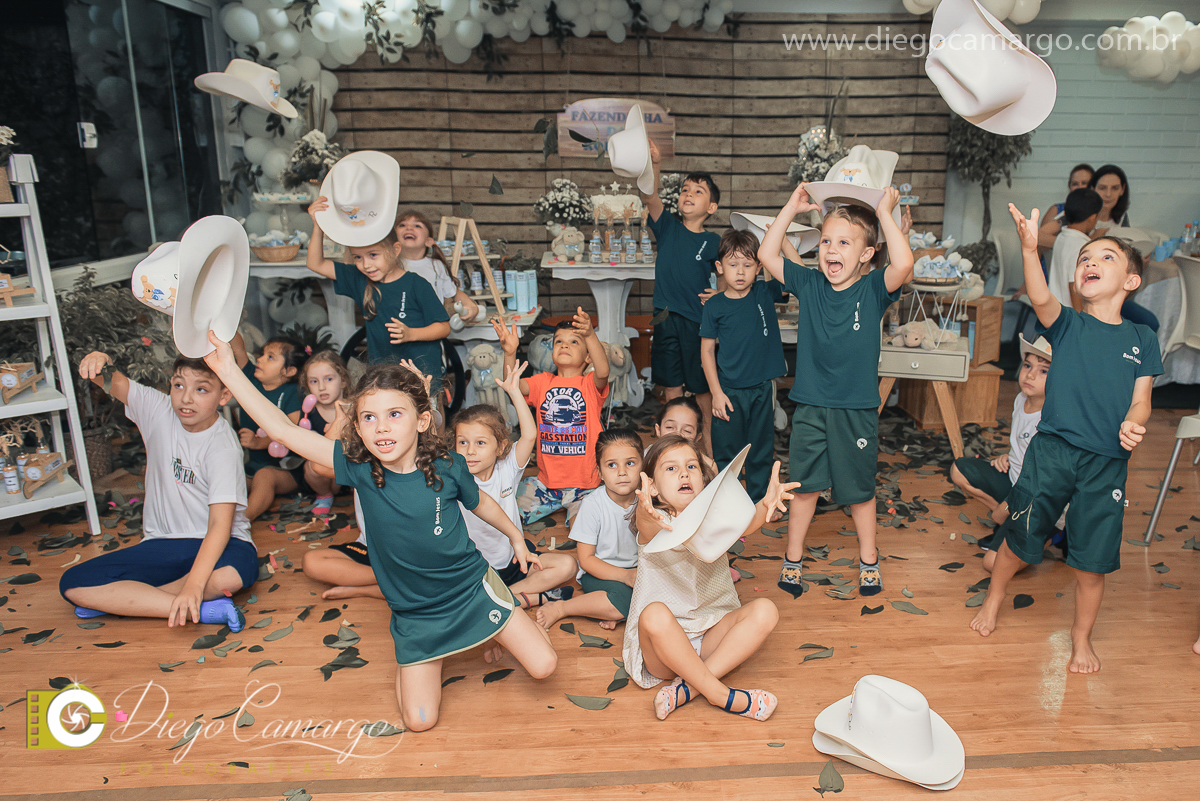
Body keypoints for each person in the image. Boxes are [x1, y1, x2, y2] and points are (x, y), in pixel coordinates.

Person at [203, 333, 557, 732]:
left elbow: (483, 504)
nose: (382, 427)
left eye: (395, 414)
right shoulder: (360, 469)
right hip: (416, 613)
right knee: (419, 721)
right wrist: (228, 369)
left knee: (544, 665)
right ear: (356, 426)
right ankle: (423, 658)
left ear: (422, 421)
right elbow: (282, 431)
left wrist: (515, 538)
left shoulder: (447, 465)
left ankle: (495, 627)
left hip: (470, 589)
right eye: (369, 418)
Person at [970, 205, 1162, 675]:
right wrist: (1030, 249)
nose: (1090, 262)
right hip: (1052, 452)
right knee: (1020, 536)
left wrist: (1134, 421)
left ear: (1131, 280)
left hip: (1106, 463)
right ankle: (994, 598)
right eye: (1084, 259)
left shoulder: (1142, 338)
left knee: (1092, 563)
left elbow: (1142, 400)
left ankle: (1081, 638)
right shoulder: (1068, 324)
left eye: (1106, 257)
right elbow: (1039, 296)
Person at [758, 183, 914, 599]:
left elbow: (904, 262)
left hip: (856, 409)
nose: (831, 249)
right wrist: (791, 207)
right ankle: (793, 558)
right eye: (826, 240)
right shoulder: (809, 283)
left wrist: (885, 214)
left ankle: (869, 560)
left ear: (866, 254)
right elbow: (767, 255)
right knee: (804, 487)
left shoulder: (874, 288)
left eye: (844, 242)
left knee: (859, 491)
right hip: (810, 406)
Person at [60, 351, 255, 632]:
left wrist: (194, 585)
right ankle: (201, 610)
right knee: (73, 583)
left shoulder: (223, 446)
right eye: (178, 385)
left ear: (224, 396)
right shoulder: (158, 409)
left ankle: (126, 601)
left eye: (201, 389)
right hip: (163, 543)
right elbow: (112, 380)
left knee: (229, 578)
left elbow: (219, 526)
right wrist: (100, 359)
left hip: (224, 543)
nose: (186, 398)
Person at [624, 435, 797, 722]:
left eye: (691, 466)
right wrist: (645, 512)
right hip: (663, 650)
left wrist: (766, 503)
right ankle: (720, 695)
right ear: (652, 488)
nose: (684, 473)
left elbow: (748, 523)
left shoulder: (713, 519)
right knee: (653, 615)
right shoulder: (656, 522)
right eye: (671, 468)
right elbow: (646, 526)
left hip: (711, 638)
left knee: (766, 610)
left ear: (703, 479)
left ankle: (689, 689)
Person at [453, 360, 578, 608]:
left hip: (514, 560)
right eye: (462, 442)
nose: (470, 451)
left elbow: (530, 435)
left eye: (480, 443)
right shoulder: (453, 475)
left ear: (500, 447)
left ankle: (500, 599)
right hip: (477, 570)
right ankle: (526, 598)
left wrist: (514, 393)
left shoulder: (507, 468)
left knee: (568, 566)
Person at [307, 197, 451, 391]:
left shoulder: (416, 284)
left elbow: (443, 328)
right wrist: (318, 226)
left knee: (426, 411)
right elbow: (315, 264)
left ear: (395, 250)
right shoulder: (359, 280)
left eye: (373, 255)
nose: (366, 264)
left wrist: (411, 333)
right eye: (358, 257)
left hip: (422, 376)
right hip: (383, 378)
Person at [639, 139, 722, 454]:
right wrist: (655, 164)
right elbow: (650, 195)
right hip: (665, 319)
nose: (688, 194)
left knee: (702, 391)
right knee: (671, 387)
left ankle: (708, 453)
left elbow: (727, 274)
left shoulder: (713, 240)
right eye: (685, 189)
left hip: (697, 323)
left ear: (711, 208)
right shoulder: (668, 227)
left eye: (698, 191)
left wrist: (721, 293)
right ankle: (671, 451)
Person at [495, 313, 610, 526]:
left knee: (584, 527)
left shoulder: (590, 384)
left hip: (585, 485)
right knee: (506, 512)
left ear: (588, 357)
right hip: (545, 484)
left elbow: (603, 371)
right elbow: (512, 385)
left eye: (574, 342)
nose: (564, 345)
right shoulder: (543, 382)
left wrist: (589, 335)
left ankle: (577, 517)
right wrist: (509, 353)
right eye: (559, 341)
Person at [950, 335, 1051, 572]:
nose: (1030, 375)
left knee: (992, 564)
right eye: (1028, 366)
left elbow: (1044, 479)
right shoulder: (1021, 399)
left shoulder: (1051, 420)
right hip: (1015, 481)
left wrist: (1006, 506)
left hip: (1037, 499)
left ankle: (1049, 534)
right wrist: (1010, 455)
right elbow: (1024, 445)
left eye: (1044, 371)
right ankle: (1010, 525)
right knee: (959, 470)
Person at [700, 228, 788, 499]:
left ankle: (759, 501)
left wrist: (782, 238)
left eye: (748, 265)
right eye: (733, 264)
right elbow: (706, 351)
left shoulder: (764, 292)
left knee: (761, 449)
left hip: (762, 389)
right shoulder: (715, 306)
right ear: (720, 267)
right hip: (729, 392)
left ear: (760, 267)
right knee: (728, 452)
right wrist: (716, 393)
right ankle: (728, 503)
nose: (740, 272)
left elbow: (792, 274)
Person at [537, 428, 644, 631]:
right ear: (600, 472)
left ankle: (611, 612)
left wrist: (635, 575)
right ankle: (562, 607)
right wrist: (624, 576)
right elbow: (586, 560)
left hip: (639, 571)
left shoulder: (646, 499)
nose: (622, 472)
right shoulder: (592, 505)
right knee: (621, 602)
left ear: (642, 466)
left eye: (630, 463)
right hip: (599, 572)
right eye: (612, 465)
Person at [235, 335, 307, 521]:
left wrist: (258, 443)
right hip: (252, 467)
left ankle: (241, 523)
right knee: (231, 477)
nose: (259, 359)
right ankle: (210, 520)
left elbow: (293, 434)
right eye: (262, 354)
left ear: (289, 371)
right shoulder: (250, 380)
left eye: (270, 357)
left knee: (264, 477)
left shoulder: (292, 393)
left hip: (287, 471)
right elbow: (238, 348)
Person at [394, 209, 479, 329]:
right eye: (402, 225)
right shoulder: (390, 266)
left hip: (432, 328)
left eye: (417, 226)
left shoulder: (436, 265)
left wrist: (472, 306)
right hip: (402, 326)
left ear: (429, 241)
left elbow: (454, 292)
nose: (409, 228)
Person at [1046, 188, 1102, 311]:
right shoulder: (1081, 246)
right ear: (1093, 217)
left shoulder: (1062, 237)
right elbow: (1075, 288)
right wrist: (1081, 320)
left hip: (1056, 310)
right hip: (1071, 315)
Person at [1036, 163, 1094, 253]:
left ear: (1093, 187)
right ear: (1069, 186)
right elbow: (1038, 241)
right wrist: (1076, 245)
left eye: (1084, 183)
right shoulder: (1057, 210)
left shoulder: (1098, 211)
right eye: (1075, 184)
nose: (1080, 187)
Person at [652, 395, 717, 473]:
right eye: (670, 427)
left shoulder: (708, 467)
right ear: (658, 430)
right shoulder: (646, 459)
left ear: (697, 437)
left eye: (687, 431)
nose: (677, 434)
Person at [1088, 164, 1131, 230]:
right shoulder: (1080, 216)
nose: (1108, 194)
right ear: (1093, 189)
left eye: (1114, 188)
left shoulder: (1122, 217)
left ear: (1122, 190)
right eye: (1102, 188)